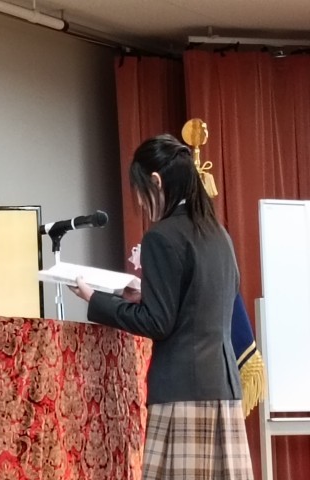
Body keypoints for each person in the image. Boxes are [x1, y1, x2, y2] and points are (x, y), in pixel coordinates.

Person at [70, 134, 253, 479]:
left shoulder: (162, 236)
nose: (140, 202)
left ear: (156, 181)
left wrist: (96, 299)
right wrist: (146, 293)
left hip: (182, 391)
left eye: (140, 191)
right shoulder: (218, 234)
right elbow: (203, 302)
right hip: (224, 388)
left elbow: (157, 323)